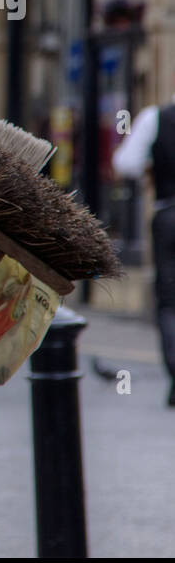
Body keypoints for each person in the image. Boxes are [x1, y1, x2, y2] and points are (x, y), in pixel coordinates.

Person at [113, 96, 175, 407]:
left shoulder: (156, 117)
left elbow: (126, 163)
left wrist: (154, 164)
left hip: (168, 215)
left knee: (169, 301)